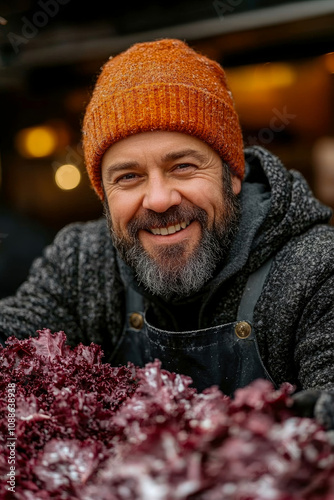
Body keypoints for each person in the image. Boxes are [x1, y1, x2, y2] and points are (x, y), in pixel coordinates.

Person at [1, 39, 334, 426]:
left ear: (232, 174)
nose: (158, 200)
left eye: (183, 167)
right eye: (129, 177)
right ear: (104, 196)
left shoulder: (316, 272)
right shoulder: (81, 264)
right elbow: (14, 343)